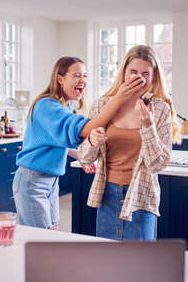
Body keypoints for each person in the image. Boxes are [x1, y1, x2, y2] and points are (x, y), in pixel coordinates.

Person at [13, 56, 147, 229]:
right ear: (60, 79)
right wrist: (118, 100)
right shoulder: (46, 105)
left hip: (51, 181)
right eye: (77, 75)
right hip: (32, 181)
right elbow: (83, 130)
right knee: (41, 240)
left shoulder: (64, 106)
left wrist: (79, 155)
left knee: (51, 232)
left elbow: (58, 142)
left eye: (85, 75)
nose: (82, 80)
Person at [77, 45, 181, 240]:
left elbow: (158, 164)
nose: (138, 78)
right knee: (108, 262)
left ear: (154, 76)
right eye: (133, 72)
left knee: (140, 265)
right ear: (123, 72)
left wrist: (148, 125)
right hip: (107, 195)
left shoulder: (160, 110)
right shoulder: (102, 105)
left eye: (145, 74)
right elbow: (84, 156)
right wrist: (92, 140)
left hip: (142, 197)